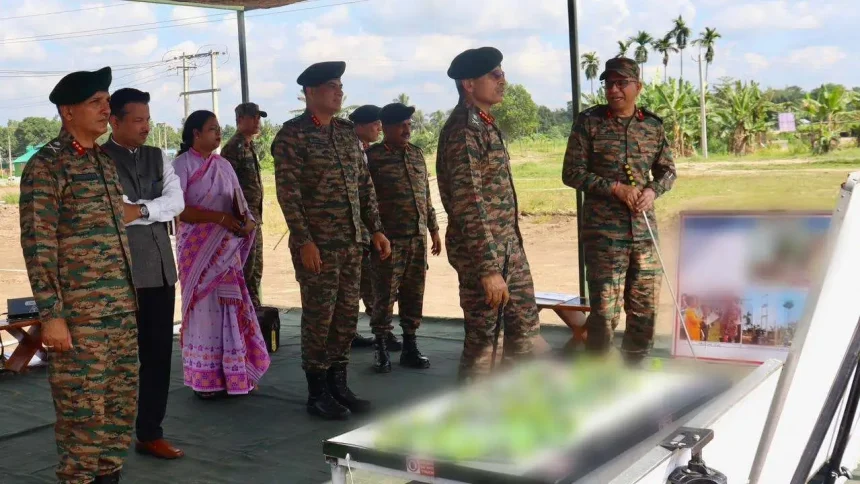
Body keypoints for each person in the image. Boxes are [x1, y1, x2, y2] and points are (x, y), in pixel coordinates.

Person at [19, 66, 138, 484]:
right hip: (79, 319)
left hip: (120, 314)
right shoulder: (47, 166)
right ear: (68, 111)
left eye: (107, 101)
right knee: (82, 425)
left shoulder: (105, 162)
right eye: (96, 102)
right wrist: (51, 314)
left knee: (118, 419)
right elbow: (38, 243)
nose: (107, 108)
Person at [271, 61, 391, 420]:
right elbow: (288, 194)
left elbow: (364, 186)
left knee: (345, 318)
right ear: (310, 93)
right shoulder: (292, 136)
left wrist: (377, 229)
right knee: (319, 318)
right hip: (318, 248)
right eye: (331, 86)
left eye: (341, 86)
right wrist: (304, 240)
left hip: (352, 242)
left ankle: (339, 384)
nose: (339, 92)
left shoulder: (345, 132)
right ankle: (317, 391)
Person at [561, 57, 677, 364]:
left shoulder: (652, 126)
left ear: (637, 87)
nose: (613, 90)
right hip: (604, 237)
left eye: (621, 83)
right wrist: (615, 188)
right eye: (609, 84)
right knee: (604, 314)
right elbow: (571, 172)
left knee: (644, 311)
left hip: (643, 234)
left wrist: (652, 190)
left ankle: (635, 371)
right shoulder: (589, 123)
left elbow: (668, 172)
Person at [436, 47, 541, 382]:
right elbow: (468, 202)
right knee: (485, 343)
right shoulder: (463, 131)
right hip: (484, 256)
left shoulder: (485, 124)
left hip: (508, 248)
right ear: (469, 83)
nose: (502, 80)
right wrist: (487, 269)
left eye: (502, 73)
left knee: (523, 330)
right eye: (494, 75)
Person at [102, 88, 186, 460]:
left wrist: (140, 211)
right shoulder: (99, 159)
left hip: (160, 273)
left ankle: (150, 432)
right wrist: (153, 208)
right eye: (137, 120)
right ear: (114, 121)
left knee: (157, 356)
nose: (145, 127)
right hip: (119, 275)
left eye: (148, 120)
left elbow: (177, 202)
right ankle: (107, 437)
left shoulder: (158, 156)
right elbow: (109, 210)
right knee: (116, 360)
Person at [173, 110, 271, 399]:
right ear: (196, 134)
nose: (218, 133)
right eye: (212, 129)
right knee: (204, 313)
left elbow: (239, 202)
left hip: (227, 253)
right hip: (198, 253)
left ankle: (236, 373)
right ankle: (206, 380)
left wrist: (247, 221)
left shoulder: (225, 165)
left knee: (232, 309)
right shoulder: (181, 165)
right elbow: (179, 209)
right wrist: (219, 219)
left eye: (218, 129)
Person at [365, 102, 441, 373]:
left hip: (417, 238)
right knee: (384, 296)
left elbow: (426, 196)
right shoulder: (372, 158)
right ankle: (381, 347)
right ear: (385, 127)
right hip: (389, 241)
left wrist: (433, 229)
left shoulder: (417, 155)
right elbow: (366, 200)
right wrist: (375, 233)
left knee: (413, 294)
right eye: (401, 125)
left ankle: (410, 345)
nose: (406, 129)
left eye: (409, 124)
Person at [346, 104, 392, 349]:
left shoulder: (365, 151)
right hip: (354, 232)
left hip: (367, 230)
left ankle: (373, 331)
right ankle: (352, 333)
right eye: (375, 124)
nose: (379, 128)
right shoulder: (350, 149)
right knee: (362, 283)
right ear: (360, 126)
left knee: (367, 282)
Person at [221, 102, 267, 308]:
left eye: (259, 117)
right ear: (240, 120)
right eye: (253, 117)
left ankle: (254, 312)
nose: (257, 121)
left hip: (254, 218)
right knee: (245, 270)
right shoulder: (233, 147)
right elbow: (227, 186)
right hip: (243, 221)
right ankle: (246, 315)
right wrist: (240, 219)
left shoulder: (250, 145)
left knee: (255, 269)